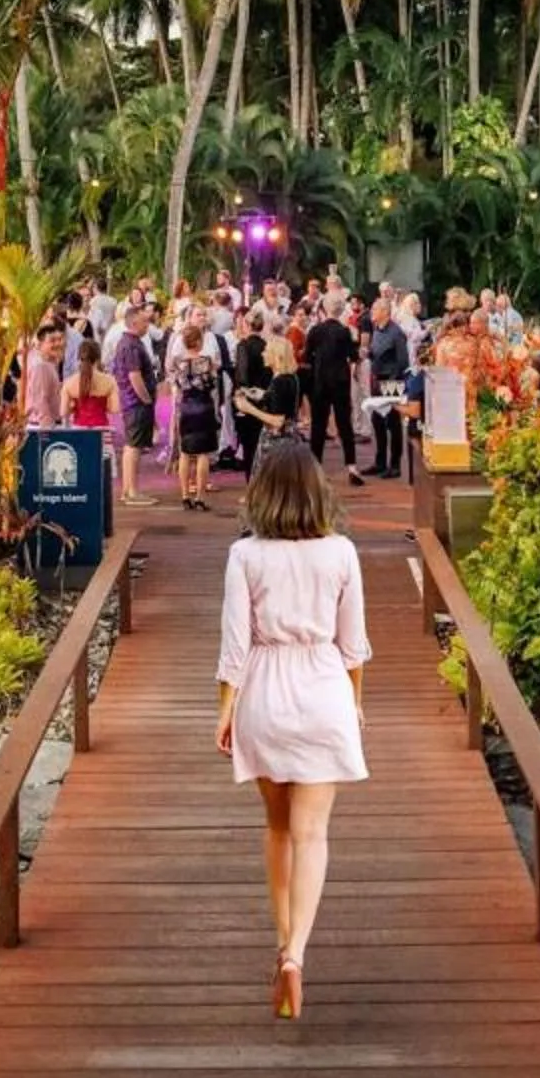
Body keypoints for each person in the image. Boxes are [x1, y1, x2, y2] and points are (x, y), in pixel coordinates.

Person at [214, 439, 369, 1024]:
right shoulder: (341, 553)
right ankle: (296, 953)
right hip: (323, 686)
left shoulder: (245, 555)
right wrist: (354, 706)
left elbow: (235, 643)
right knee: (312, 834)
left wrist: (225, 710)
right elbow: (353, 645)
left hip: (264, 691)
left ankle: (282, 938)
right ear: (316, 491)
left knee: (277, 828)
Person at [170, 303, 230, 511]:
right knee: (203, 453)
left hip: (186, 407)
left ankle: (185, 494)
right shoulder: (207, 362)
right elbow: (213, 381)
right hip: (204, 406)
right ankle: (200, 495)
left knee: (185, 452)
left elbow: (175, 381)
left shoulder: (179, 364)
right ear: (198, 342)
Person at [301, 297, 361, 484]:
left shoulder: (315, 331)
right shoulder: (344, 331)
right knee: (345, 424)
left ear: (324, 311)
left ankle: (316, 466)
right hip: (341, 381)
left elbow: (306, 356)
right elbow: (353, 356)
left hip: (320, 382)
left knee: (318, 425)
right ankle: (351, 466)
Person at [111, 300, 160, 509]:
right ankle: (131, 491)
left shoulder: (131, 342)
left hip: (134, 402)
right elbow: (134, 376)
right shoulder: (130, 345)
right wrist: (147, 399)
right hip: (135, 403)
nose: (147, 325)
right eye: (143, 322)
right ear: (133, 323)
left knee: (133, 445)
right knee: (134, 446)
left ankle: (128, 489)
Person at [238, 332, 304, 466]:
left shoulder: (279, 382)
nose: (263, 354)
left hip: (277, 443)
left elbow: (278, 421)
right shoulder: (292, 377)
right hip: (291, 439)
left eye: (267, 351)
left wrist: (248, 408)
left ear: (277, 356)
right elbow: (285, 403)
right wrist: (264, 394)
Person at [23, 319, 68, 428]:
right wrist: (48, 428)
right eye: (52, 341)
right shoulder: (40, 366)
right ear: (41, 344)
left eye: (59, 339)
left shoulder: (50, 363)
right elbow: (40, 399)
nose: (58, 344)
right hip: (43, 427)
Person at [67, 335, 116, 431]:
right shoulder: (110, 381)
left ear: (79, 357)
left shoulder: (69, 382)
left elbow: (63, 411)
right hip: (102, 430)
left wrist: (74, 407)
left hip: (78, 430)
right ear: (98, 358)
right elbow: (114, 408)